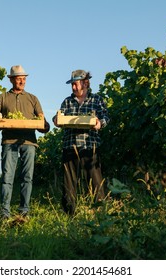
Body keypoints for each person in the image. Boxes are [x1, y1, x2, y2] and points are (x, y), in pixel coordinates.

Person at [0, 65, 50, 220]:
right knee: (7, 177)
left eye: (24, 78)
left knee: (27, 177)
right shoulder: (2, 97)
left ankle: (24, 211)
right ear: (11, 80)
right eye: (19, 78)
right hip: (9, 142)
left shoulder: (33, 98)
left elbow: (42, 120)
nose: (22, 81)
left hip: (29, 142)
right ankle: (5, 212)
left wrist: (44, 125)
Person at [53, 69, 109, 216]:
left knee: (96, 181)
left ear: (85, 83)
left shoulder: (97, 100)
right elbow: (58, 117)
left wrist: (99, 123)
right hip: (70, 146)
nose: (73, 87)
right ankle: (69, 214)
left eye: (76, 84)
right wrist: (56, 120)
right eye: (72, 84)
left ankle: (100, 213)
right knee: (69, 183)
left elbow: (105, 118)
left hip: (90, 145)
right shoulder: (67, 101)